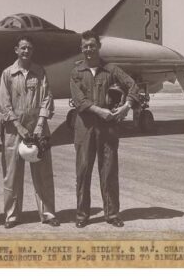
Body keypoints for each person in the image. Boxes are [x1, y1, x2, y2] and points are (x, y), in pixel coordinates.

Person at [70, 30, 140, 228]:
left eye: (92, 45)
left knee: (108, 172)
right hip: (85, 129)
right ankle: (82, 215)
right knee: (83, 172)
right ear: (81, 49)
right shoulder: (76, 73)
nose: (89, 49)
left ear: (98, 47)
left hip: (108, 129)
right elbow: (79, 100)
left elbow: (133, 86)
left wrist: (126, 106)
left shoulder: (111, 70)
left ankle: (111, 214)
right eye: (85, 46)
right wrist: (100, 111)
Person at [0, 36, 60, 229]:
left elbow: (47, 98)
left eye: (29, 48)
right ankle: (11, 216)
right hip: (14, 128)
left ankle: (48, 213)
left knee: (43, 173)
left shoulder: (40, 72)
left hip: (38, 126)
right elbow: (4, 104)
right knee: (12, 174)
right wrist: (19, 126)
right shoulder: (7, 73)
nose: (26, 51)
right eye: (23, 48)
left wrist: (40, 124)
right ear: (16, 50)